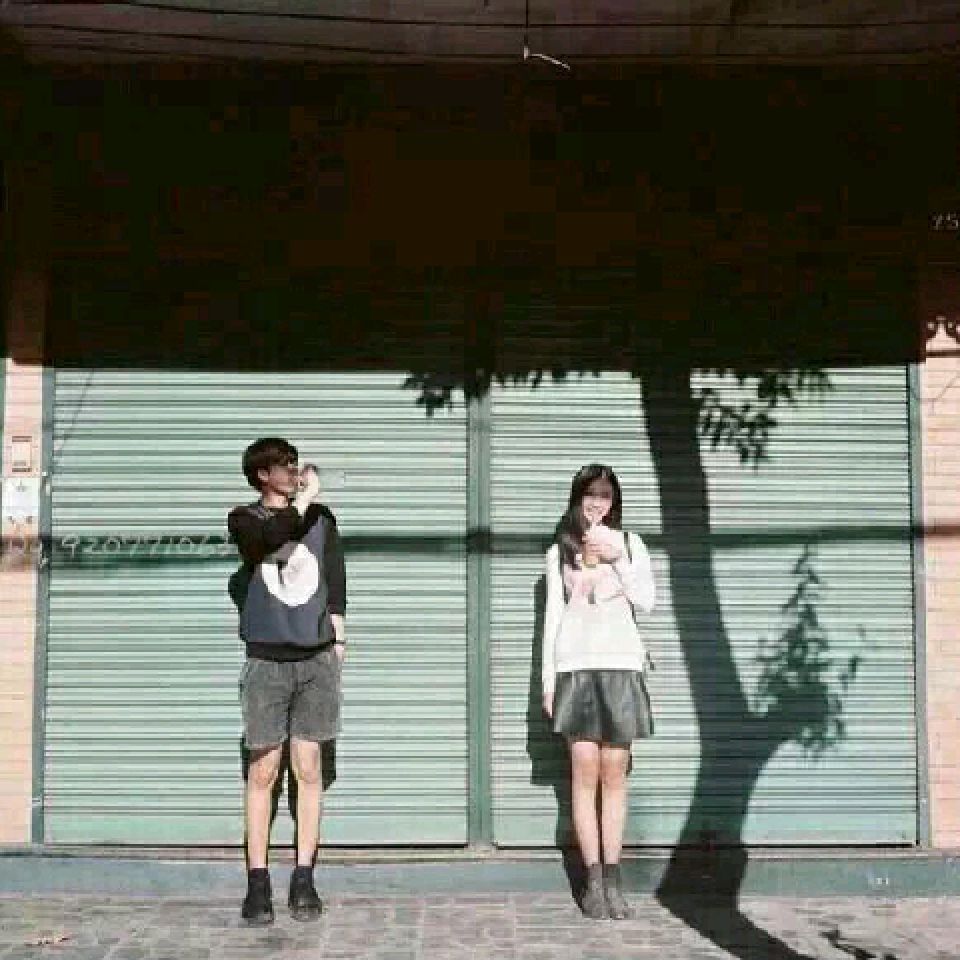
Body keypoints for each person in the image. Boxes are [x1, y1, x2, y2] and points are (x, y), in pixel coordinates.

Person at [227, 437, 346, 925]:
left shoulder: (322, 518)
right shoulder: (245, 520)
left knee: (309, 768)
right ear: (263, 475)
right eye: (285, 466)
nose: (295, 472)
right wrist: (303, 499)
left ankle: (304, 877)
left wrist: (340, 637)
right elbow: (268, 540)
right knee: (263, 771)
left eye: (296, 464)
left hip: (315, 660)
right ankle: (258, 882)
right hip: (266, 661)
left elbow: (335, 579)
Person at [541, 464, 655, 920]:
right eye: (590, 494)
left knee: (615, 771)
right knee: (584, 770)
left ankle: (613, 878)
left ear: (614, 502)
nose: (597, 503)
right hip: (576, 666)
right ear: (578, 498)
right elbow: (553, 618)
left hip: (621, 665)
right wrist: (549, 681)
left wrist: (618, 558)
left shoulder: (631, 544)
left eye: (605, 495)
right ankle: (591, 882)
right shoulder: (559, 551)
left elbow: (647, 600)